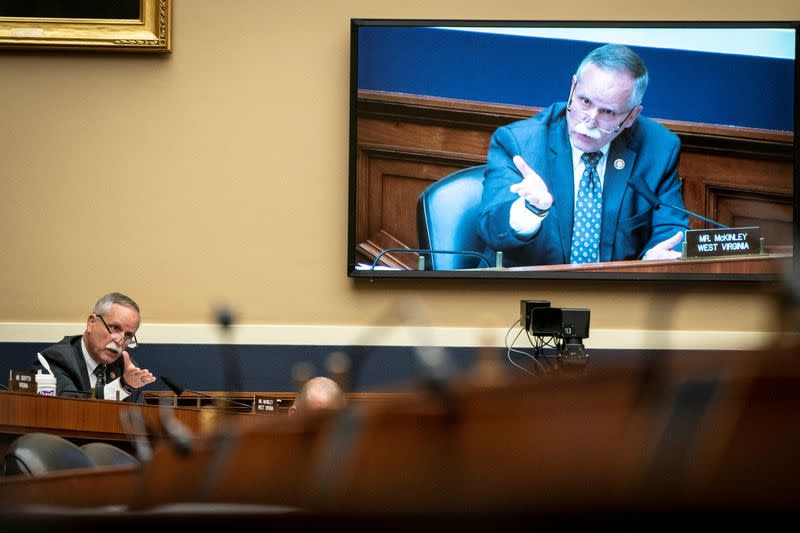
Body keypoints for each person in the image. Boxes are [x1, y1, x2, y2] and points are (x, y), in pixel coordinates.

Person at [478, 43, 688, 267]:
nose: (590, 121)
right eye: (585, 101)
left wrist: (651, 262)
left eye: (608, 112)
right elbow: (492, 229)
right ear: (573, 87)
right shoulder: (519, 142)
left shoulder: (659, 148)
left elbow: (670, 229)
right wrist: (530, 211)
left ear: (631, 116)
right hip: (528, 291)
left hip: (615, 294)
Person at [32, 292, 155, 402]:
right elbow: (70, 410)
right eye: (114, 328)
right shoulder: (55, 359)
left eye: (128, 335)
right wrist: (123, 386)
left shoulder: (127, 369)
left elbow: (137, 421)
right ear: (91, 322)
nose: (120, 340)